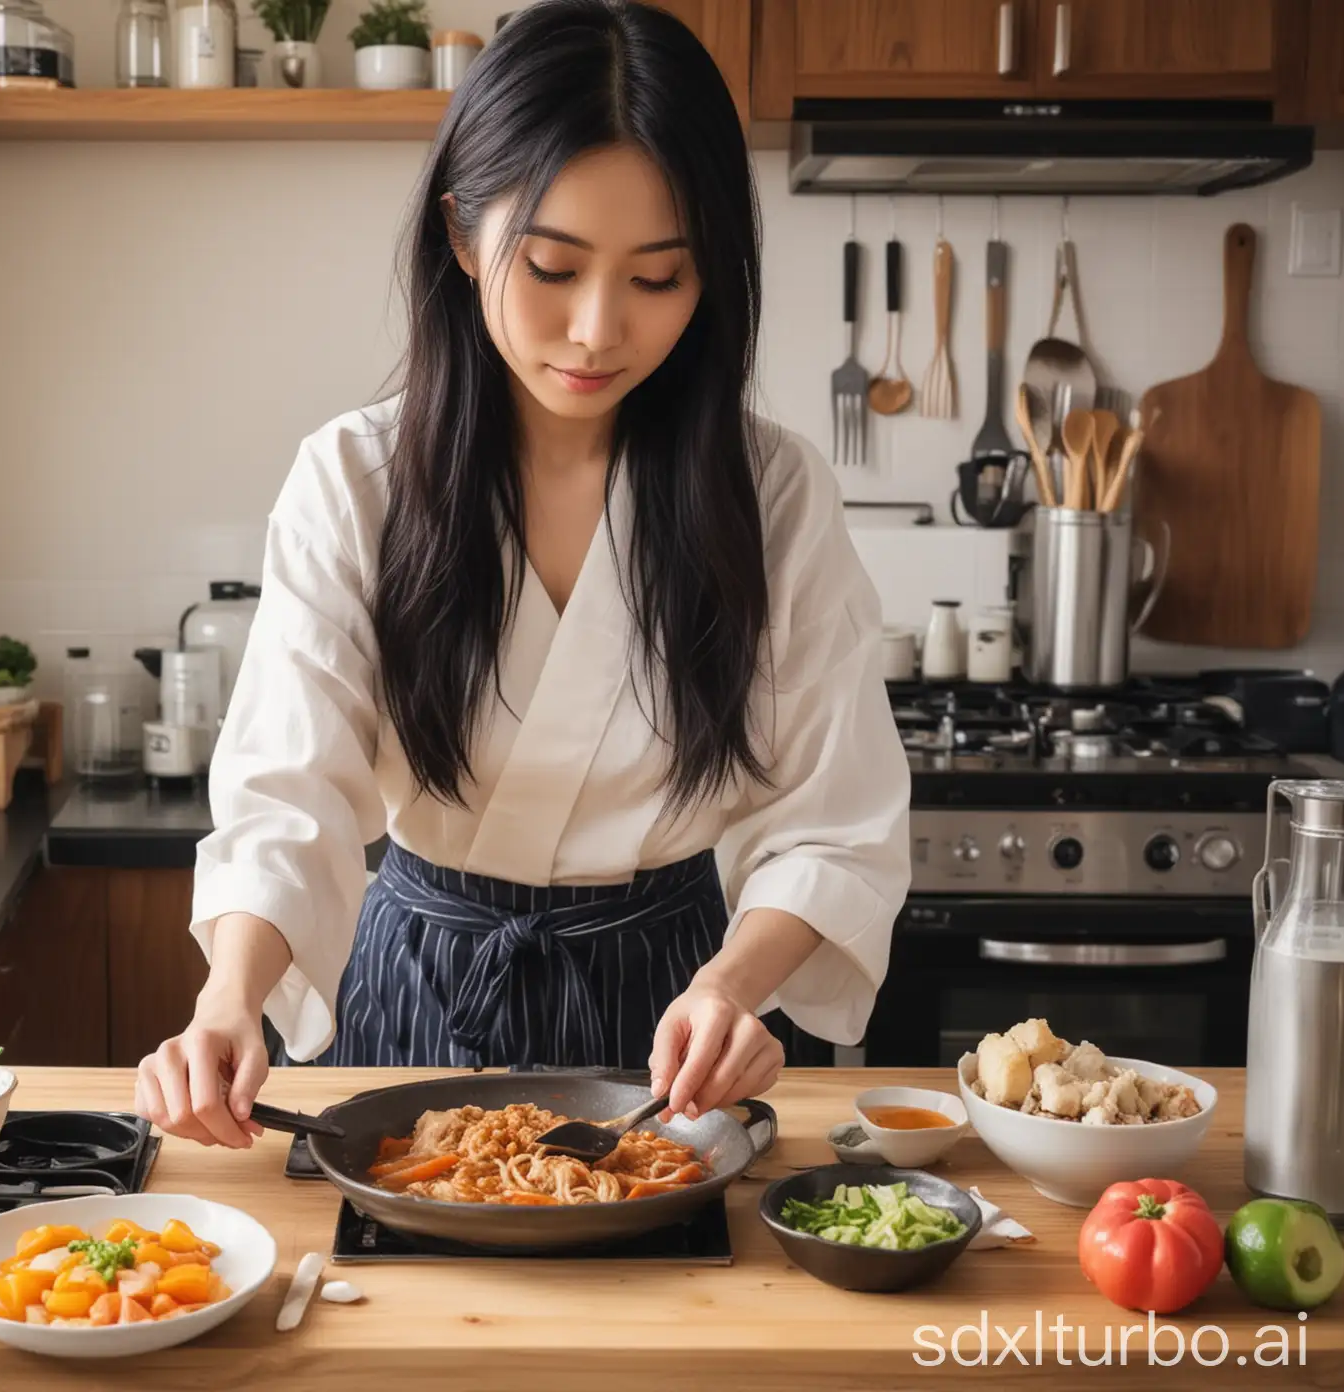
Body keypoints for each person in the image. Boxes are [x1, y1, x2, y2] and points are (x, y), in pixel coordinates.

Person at [135, 0, 910, 1150]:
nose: (598, 330)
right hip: (413, 987)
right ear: (461, 234)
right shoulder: (355, 479)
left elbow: (833, 819)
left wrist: (736, 988)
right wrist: (226, 1000)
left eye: (659, 279)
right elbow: (290, 790)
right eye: (552, 266)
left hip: (671, 1007)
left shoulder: (772, 492)